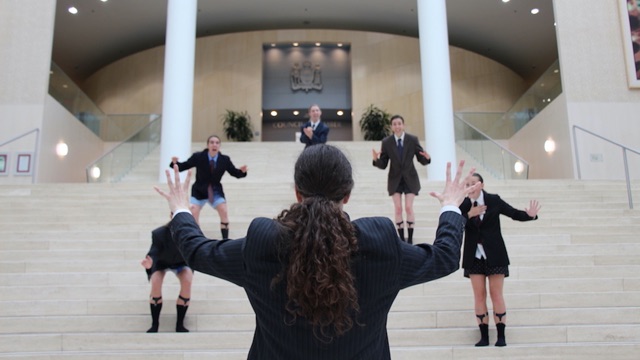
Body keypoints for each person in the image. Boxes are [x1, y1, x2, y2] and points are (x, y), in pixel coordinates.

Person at [154, 144, 481, 359]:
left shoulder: (262, 243)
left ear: (297, 192)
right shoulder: (380, 242)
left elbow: (197, 251)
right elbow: (445, 257)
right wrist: (451, 206)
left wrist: (181, 209)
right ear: (348, 194)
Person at [459, 173, 541, 347]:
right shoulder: (463, 204)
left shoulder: (493, 200)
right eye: (467, 184)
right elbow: (453, 223)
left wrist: (531, 215)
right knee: (479, 295)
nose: (470, 187)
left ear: (481, 184)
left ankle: (501, 336)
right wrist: (469, 215)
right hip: (474, 256)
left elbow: (513, 213)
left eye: (473, 183)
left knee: (496, 294)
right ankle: (484, 336)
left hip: (495, 254)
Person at [170, 135, 247, 239]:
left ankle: (225, 240)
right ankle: (197, 238)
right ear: (207, 145)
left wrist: (242, 172)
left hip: (215, 191)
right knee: (193, 212)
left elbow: (235, 173)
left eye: (217, 142)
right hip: (199, 190)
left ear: (219, 145)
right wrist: (175, 163)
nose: (214, 145)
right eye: (212, 142)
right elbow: (184, 166)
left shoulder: (224, 159)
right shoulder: (198, 156)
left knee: (223, 210)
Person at [372, 115, 431, 244]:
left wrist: (427, 158)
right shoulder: (386, 142)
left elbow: (421, 159)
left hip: (410, 178)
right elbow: (383, 164)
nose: (397, 126)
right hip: (395, 179)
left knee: (409, 208)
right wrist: (376, 160)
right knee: (398, 208)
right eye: (394, 124)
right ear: (391, 127)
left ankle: (409, 239)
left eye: (399, 123)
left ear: (403, 125)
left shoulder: (412, 139)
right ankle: (401, 239)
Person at [141, 218, 194, 333]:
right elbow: (153, 251)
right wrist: (150, 264)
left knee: (187, 280)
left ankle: (180, 324)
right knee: (156, 281)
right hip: (162, 262)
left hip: (181, 262)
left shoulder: (191, 232)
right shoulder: (159, 233)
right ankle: (155, 324)